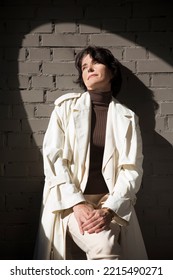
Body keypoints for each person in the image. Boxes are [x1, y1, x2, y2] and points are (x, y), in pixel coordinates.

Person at [34, 45, 148, 260]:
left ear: (112, 72)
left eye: (96, 62)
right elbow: (54, 159)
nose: (89, 69)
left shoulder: (128, 117)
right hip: (69, 199)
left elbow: (131, 170)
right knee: (105, 249)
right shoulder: (64, 109)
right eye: (84, 66)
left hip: (110, 202)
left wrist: (109, 209)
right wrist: (77, 203)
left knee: (106, 250)